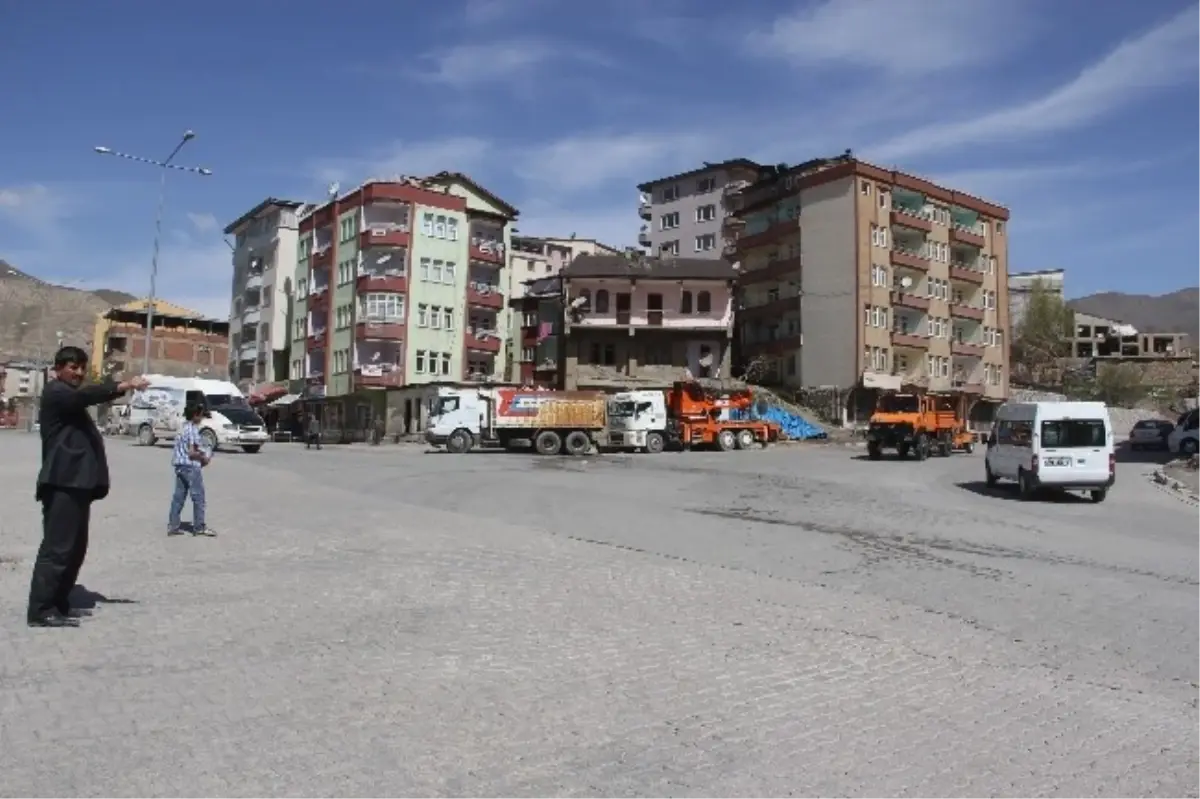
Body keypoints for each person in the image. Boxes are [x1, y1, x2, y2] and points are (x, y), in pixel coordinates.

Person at [27, 346, 148, 628]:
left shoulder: (70, 398)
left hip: (77, 485)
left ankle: (59, 603)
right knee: (57, 549)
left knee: (75, 548)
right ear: (58, 369)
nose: (79, 373)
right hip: (62, 483)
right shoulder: (57, 392)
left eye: (82, 367)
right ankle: (41, 609)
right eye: (73, 367)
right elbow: (85, 396)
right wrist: (124, 385)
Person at [168, 403, 213, 537]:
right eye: (201, 415)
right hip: (190, 466)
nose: (202, 418)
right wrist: (204, 458)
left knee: (178, 497)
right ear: (195, 415)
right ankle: (199, 527)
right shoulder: (193, 429)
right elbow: (192, 453)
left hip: (179, 466)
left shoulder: (182, 428)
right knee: (198, 497)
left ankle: (173, 526)